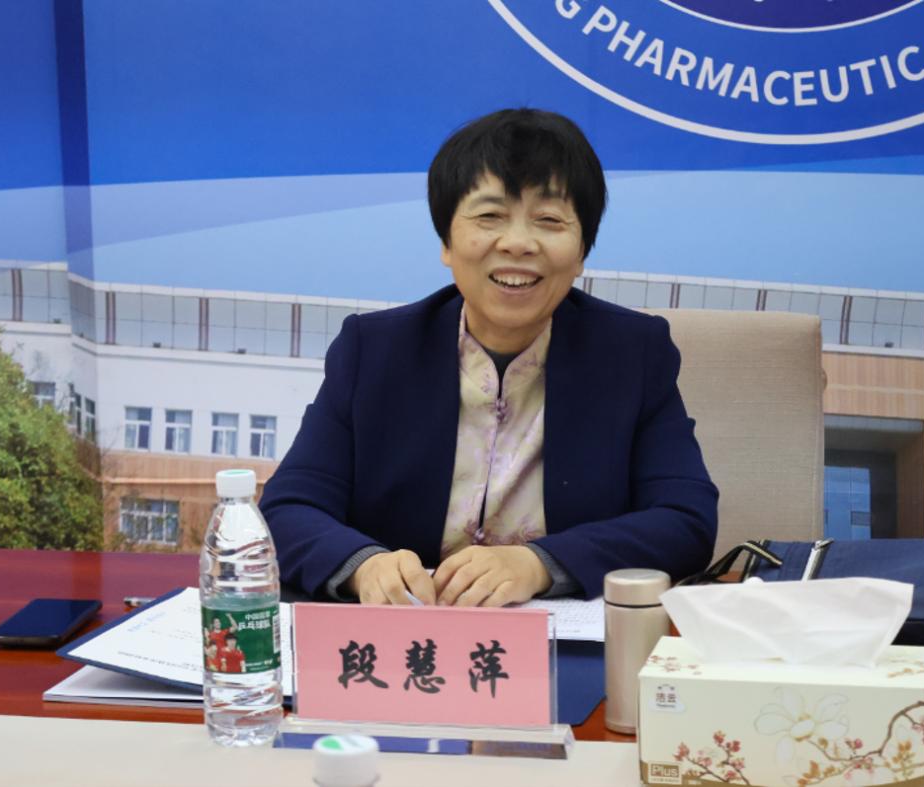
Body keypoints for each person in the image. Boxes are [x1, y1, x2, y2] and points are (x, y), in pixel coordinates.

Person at [260, 108, 718, 607]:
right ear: (447, 242)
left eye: (549, 220)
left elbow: (684, 520)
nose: (518, 243)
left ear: (582, 251)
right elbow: (289, 508)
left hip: (558, 639)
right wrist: (364, 565)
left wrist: (540, 564)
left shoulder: (633, 353)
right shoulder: (373, 350)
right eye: (489, 216)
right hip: (405, 636)